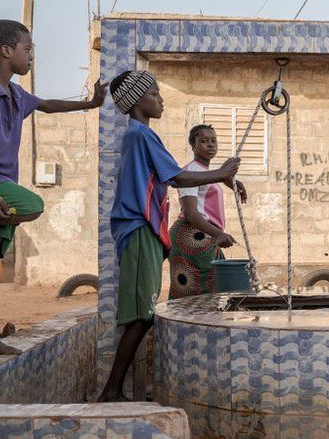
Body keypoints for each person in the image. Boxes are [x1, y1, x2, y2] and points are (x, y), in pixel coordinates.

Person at [0, 19, 108, 355]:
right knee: (33, 205)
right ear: (6, 51)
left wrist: (89, 104)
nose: (32, 56)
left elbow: (46, 104)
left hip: (0, 184)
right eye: (28, 49)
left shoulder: (14, 93)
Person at [98, 70, 240, 401]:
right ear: (136, 101)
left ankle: (114, 390)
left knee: (145, 315)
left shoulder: (140, 135)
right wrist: (223, 172)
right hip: (137, 229)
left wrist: (221, 176)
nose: (160, 100)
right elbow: (176, 177)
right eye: (154, 94)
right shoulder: (141, 136)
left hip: (146, 230)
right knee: (142, 316)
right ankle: (110, 391)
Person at [168, 124, 247, 299]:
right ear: (193, 146)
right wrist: (218, 234)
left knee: (208, 292)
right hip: (191, 237)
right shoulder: (191, 171)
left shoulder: (205, 172)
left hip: (202, 236)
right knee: (201, 294)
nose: (210, 144)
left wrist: (227, 178)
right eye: (204, 141)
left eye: (213, 140)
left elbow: (213, 179)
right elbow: (190, 212)